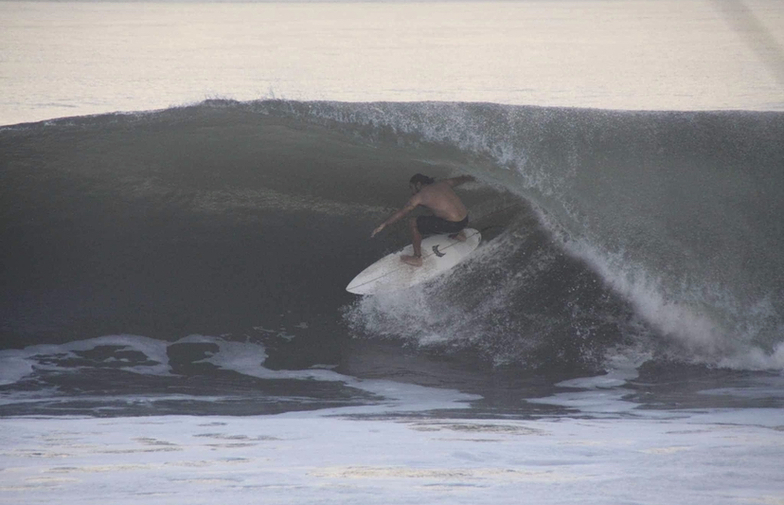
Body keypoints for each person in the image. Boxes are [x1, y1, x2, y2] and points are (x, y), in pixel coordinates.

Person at [371, 173, 474, 267]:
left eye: (412, 188)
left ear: (418, 184)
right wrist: (470, 177)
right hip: (464, 220)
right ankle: (460, 235)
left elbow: (402, 212)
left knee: (413, 222)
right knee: (439, 211)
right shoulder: (444, 183)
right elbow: (460, 179)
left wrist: (384, 224)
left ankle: (417, 258)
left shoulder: (420, 196)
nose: (412, 192)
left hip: (453, 225)